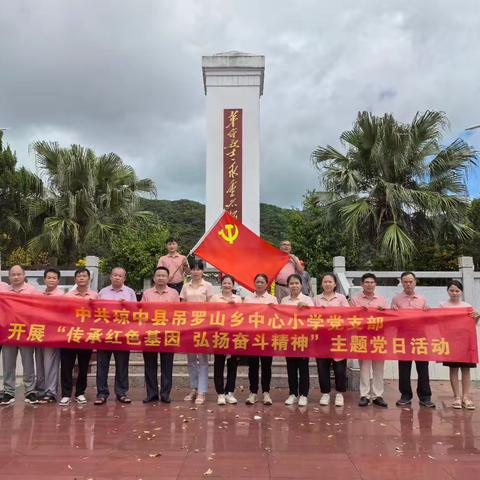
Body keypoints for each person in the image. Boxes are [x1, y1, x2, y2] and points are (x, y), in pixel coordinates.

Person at [391, 271, 435, 408]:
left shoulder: (422, 300)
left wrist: (428, 311)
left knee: (422, 367)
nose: (408, 284)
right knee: (404, 367)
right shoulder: (396, 299)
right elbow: (392, 319)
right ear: (401, 283)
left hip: (420, 336)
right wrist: (392, 311)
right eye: (405, 281)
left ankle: (425, 396)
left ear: (415, 282)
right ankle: (405, 395)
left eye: (410, 281)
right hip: (403, 336)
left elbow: (428, 320)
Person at [94, 267, 137, 405]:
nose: (117, 277)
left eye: (120, 276)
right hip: (105, 334)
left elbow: (136, 314)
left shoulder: (130, 293)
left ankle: (122, 392)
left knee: (122, 365)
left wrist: (127, 307)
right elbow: (96, 313)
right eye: (115, 275)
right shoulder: (102, 292)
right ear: (110, 276)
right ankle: (102, 393)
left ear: (124, 278)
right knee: (102, 365)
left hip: (123, 335)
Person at [0, 265, 41, 405]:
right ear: (9, 277)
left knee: (28, 362)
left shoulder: (32, 291)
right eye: (13, 274)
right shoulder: (3, 291)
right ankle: (8, 392)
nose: (16, 277)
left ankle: (30, 391)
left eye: (18, 274)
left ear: (24, 275)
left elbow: (42, 308)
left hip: (26, 333)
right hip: (8, 333)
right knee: (8, 363)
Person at [59, 267, 98, 406]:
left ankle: (80, 393)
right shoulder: (67, 296)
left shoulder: (95, 295)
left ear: (89, 279)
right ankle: (65, 394)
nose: (81, 278)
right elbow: (61, 314)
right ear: (75, 279)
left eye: (84, 276)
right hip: (69, 336)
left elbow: (99, 315)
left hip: (86, 336)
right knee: (66, 366)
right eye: (79, 276)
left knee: (83, 366)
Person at [142, 266, 180, 403]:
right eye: (158, 275)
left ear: (168, 278)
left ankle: (165, 394)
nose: (161, 278)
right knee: (150, 365)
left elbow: (178, 313)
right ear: (154, 277)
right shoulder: (147, 293)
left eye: (164, 275)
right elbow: (142, 312)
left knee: (167, 365)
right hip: (150, 333)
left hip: (168, 333)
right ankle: (151, 393)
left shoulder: (174, 293)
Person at [439, 280, 479, 410]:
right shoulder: (442, 305)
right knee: (453, 369)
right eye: (452, 290)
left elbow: (473, 324)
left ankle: (466, 397)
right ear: (447, 291)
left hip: (466, 341)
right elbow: (438, 322)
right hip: (451, 341)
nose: (454, 293)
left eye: (457, 290)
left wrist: (477, 316)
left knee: (466, 370)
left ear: (461, 292)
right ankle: (456, 397)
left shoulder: (467, 306)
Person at [350, 273, 389, 408]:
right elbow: (352, 317)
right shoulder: (355, 300)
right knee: (364, 367)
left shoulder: (382, 300)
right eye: (366, 282)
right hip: (363, 335)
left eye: (372, 282)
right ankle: (364, 395)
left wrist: (383, 311)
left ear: (375, 284)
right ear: (361, 284)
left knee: (379, 367)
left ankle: (378, 395)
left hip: (378, 336)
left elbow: (388, 318)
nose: (369, 284)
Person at [313, 273, 350, 407]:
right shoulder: (316, 299)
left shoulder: (341, 298)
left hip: (338, 337)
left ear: (335, 284)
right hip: (321, 337)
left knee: (339, 367)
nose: (327, 284)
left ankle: (340, 393)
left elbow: (348, 314)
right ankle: (325, 393)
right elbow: (310, 316)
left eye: (330, 282)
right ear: (321, 284)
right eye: (325, 281)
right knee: (322, 366)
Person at [180, 260, 213, 405]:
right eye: (192, 269)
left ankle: (202, 391)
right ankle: (194, 388)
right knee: (191, 360)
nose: (195, 272)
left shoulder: (208, 286)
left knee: (203, 360)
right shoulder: (185, 286)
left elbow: (212, 307)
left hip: (203, 325)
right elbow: (181, 306)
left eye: (198, 269)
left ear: (202, 271)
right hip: (188, 326)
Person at [244, 273, 278, 405]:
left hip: (267, 337)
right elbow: (243, 316)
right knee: (252, 365)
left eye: (262, 282)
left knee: (266, 366)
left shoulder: (273, 299)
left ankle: (266, 392)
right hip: (252, 337)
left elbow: (278, 317)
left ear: (266, 284)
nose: (259, 284)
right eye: (257, 282)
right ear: (254, 283)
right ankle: (253, 392)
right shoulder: (247, 299)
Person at [282, 273, 314, 407]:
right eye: (291, 283)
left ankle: (304, 395)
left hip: (303, 338)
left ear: (301, 285)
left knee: (303, 367)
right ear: (288, 286)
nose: (294, 286)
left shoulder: (308, 299)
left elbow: (315, 316)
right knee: (291, 367)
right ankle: (293, 393)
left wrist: (306, 308)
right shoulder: (284, 300)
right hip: (288, 338)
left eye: (296, 283)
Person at [211, 275, 243, 405]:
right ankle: (220, 393)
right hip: (219, 335)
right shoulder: (214, 298)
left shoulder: (238, 299)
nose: (227, 285)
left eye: (229, 283)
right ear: (221, 284)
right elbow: (210, 314)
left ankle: (229, 392)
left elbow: (243, 315)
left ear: (233, 285)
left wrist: (234, 307)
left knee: (232, 365)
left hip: (234, 335)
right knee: (218, 364)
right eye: (225, 283)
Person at [35, 268, 64, 403]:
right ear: (44, 279)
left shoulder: (61, 296)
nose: (51, 280)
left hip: (53, 334)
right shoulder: (39, 295)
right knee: (40, 362)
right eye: (49, 277)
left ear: (58, 280)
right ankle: (40, 390)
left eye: (54, 278)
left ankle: (50, 392)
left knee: (50, 363)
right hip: (39, 332)